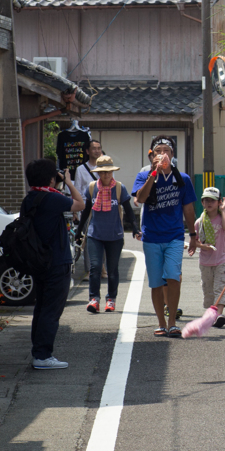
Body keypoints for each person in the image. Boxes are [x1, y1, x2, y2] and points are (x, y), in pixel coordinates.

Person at [133, 136, 199, 338]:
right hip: (152, 236)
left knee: (173, 277)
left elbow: (188, 208)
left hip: (174, 236)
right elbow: (140, 198)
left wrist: (193, 235)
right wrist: (153, 174)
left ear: (172, 154)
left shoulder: (183, 178)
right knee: (155, 282)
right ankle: (161, 323)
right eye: (158, 151)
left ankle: (172, 323)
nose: (163, 154)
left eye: (166, 151)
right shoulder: (143, 175)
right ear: (151, 155)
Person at [24, 159, 85, 369]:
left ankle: (38, 351)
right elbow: (80, 203)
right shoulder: (52, 198)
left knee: (41, 308)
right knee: (51, 310)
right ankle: (42, 356)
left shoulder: (30, 198)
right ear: (51, 178)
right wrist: (68, 182)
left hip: (39, 260)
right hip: (57, 262)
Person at [75, 155, 138, 313]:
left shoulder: (119, 188)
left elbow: (128, 210)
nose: (106, 175)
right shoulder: (92, 188)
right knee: (95, 267)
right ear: (98, 173)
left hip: (115, 235)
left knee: (112, 269)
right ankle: (94, 299)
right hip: (94, 234)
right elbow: (86, 211)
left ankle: (111, 299)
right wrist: (79, 230)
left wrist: (135, 227)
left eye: (109, 172)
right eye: (103, 172)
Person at [196, 187, 225, 327]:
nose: (209, 203)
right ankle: (212, 314)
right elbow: (194, 241)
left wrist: (223, 210)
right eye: (206, 200)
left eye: (212, 200)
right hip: (205, 261)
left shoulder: (222, 218)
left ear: (219, 202)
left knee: (220, 287)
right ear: (202, 202)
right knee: (208, 289)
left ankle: (219, 314)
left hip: (221, 260)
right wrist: (202, 246)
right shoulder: (199, 222)